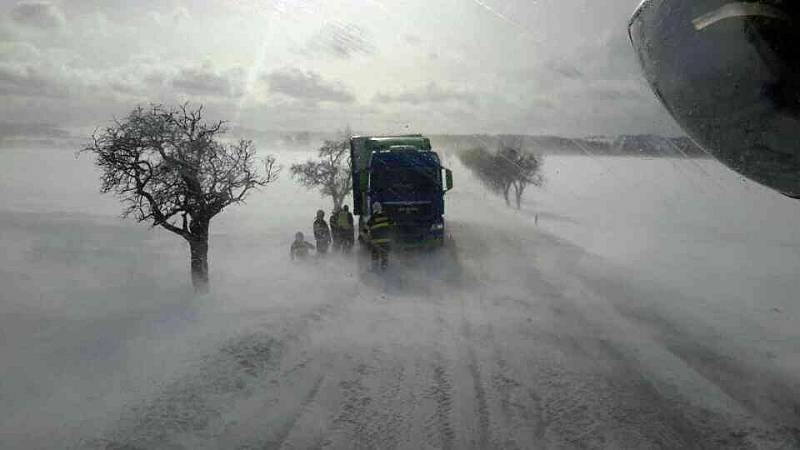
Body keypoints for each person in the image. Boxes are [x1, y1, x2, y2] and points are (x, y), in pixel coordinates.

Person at [367, 202, 392, 271]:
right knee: (385, 256)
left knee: (375, 256)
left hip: (376, 242)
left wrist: (364, 239)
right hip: (386, 241)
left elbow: (365, 229)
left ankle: (375, 271)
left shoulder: (372, 218)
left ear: (373, 209)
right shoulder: (386, 216)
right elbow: (392, 225)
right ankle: (384, 269)